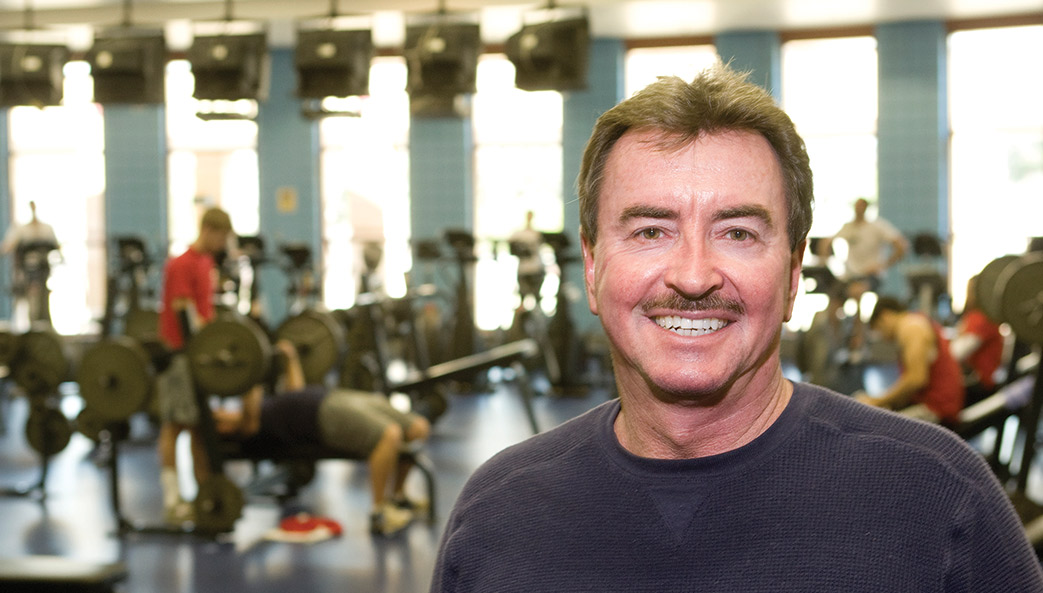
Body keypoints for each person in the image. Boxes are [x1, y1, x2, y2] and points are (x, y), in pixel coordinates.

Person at [429, 64, 1043, 591]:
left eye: (738, 234)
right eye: (650, 231)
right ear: (592, 268)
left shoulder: (940, 499)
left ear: (794, 273)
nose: (694, 276)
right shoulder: (496, 514)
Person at [212, 340, 431, 536]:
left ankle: (399, 498)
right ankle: (379, 512)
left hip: (332, 396)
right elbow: (249, 409)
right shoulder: (248, 427)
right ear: (223, 430)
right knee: (388, 434)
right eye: (218, 417)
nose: (222, 412)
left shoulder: (261, 409)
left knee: (418, 427)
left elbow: (294, 391)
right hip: (322, 417)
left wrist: (291, 359)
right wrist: (250, 368)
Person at [155, 206, 234, 525]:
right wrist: (208, 339)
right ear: (209, 231)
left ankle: (206, 493)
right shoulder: (180, 264)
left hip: (199, 355)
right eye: (221, 237)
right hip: (178, 354)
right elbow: (183, 309)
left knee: (201, 425)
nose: (222, 244)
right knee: (175, 425)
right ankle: (173, 499)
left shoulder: (206, 263)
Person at [819, 197, 908, 360]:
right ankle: (838, 345)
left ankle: (858, 342)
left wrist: (883, 265)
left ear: (866, 208)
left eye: (861, 206)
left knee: (857, 293)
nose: (858, 209)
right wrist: (827, 258)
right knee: (833, 307)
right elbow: (827, 242)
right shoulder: (848, 227)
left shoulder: (877, 226)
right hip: (850, 276)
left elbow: (901, 245)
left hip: (871, 275)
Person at [856, 296, 966, 426]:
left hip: (937, 409)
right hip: (932, 403)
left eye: (879, 330)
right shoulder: (913, 322)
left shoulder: (911, 328)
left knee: (878, 426)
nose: (883, 337)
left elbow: (916, 379)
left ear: (885, 316)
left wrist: (878, 401)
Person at [1, 200, 61, 327]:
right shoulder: (20, 230)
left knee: (43, 300)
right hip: (26, 272)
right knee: (29, 299)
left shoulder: (46, 229)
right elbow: (8, 247)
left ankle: (45, 325)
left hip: (43, 270)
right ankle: (32, 325)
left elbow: (56, 246)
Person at [951, 274, 1005, 405]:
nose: (969, 295)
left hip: (982, 385)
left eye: (971, 291)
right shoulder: (973, 316)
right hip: (974, 379)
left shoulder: (983, 319)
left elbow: (956, 353)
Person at [508, 210, 546, 309]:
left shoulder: (536, 234)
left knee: (537, 298)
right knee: (522, 297)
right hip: (523, 269)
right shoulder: (518, 234)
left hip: (535, 268)